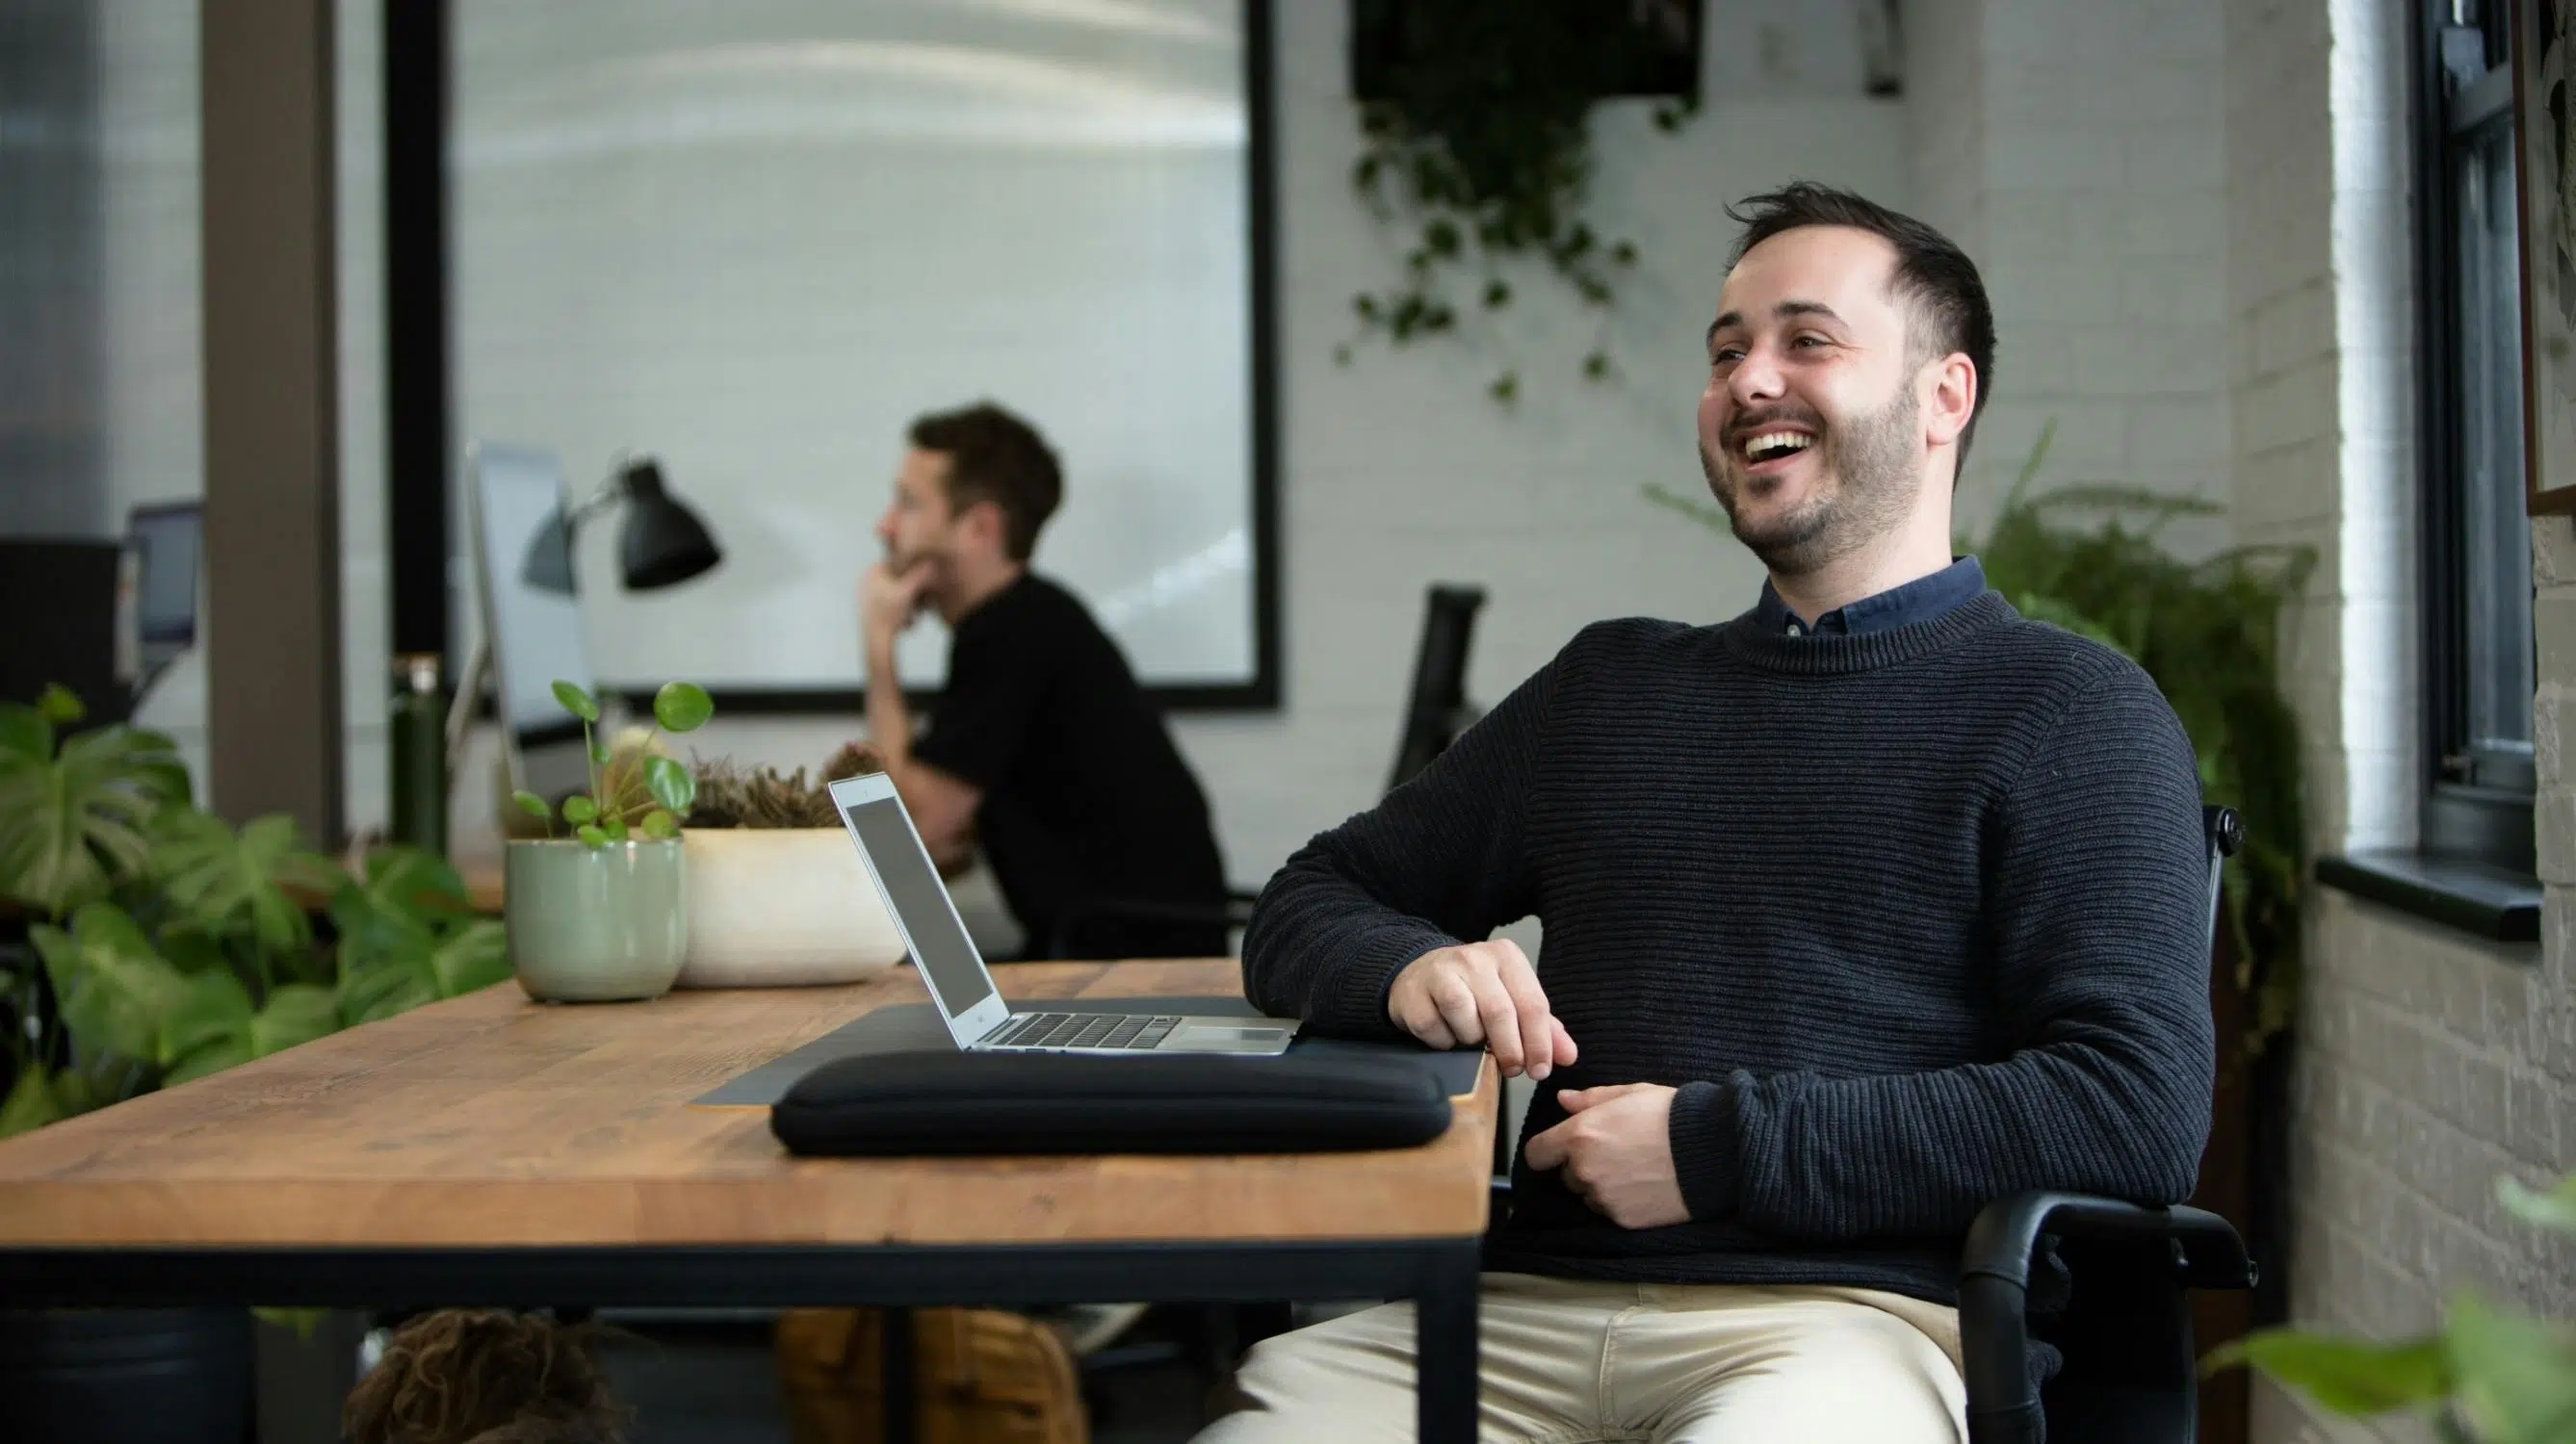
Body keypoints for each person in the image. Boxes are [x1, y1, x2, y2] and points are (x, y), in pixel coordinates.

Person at [1197, 183, 2215, 1443]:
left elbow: (2130, 1106)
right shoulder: (1605, 689)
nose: (1748, 380)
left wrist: (1717, 1147)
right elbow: (1307, 900)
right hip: (1519, 1312)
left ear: (1942, 395)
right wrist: (1406, 966)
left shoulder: (2071, 713)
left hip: (1845, 1328)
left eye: (1805, 340)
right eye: (1725, 351)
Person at [860, 401, 1230, 960]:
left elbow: (905, 835)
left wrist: (877, 641)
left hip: (1125, 966)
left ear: (980, 527)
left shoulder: (1013, 631)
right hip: (1111, 944)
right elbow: (936, 843)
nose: (884, 526)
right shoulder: (1026, 620)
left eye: (908, 503)